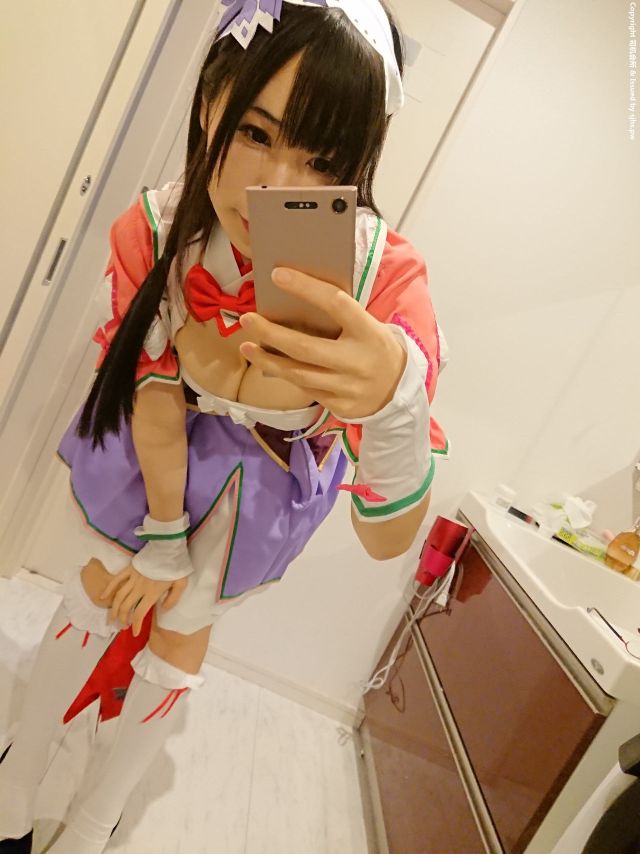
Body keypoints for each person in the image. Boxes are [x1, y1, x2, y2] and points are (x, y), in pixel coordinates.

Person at [0, 1, 448, 851]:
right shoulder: (159, 226)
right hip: (154, 449)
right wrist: (164, 532)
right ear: (211, 102)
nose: (275, 184)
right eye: (254, 132)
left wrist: (395, 397)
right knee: (96, 589)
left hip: (261, 487)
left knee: (180, 635)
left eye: (322, 159)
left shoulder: (380, 277)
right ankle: (15, 783)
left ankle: (95, 820)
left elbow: (389, 537)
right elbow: (152, 391)